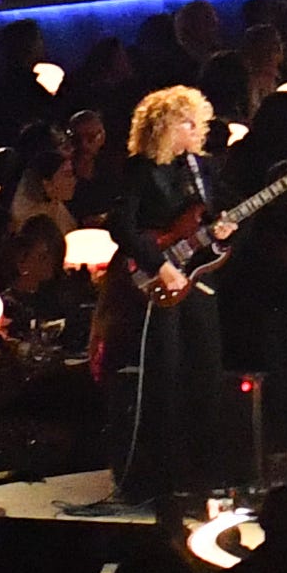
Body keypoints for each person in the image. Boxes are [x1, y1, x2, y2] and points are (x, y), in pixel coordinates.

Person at [108, 87, 235, 508]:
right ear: (164, 126)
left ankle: (201, 477)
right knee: (165, 375)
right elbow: (121, 226)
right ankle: (158, 479)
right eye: (187, 122)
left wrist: (223, 232)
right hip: (158, 279)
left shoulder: (202, 167)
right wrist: (158, 264)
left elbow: (214, 218)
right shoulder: (141, 169)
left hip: (197, 281)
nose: (197, 129)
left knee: (206, 371)